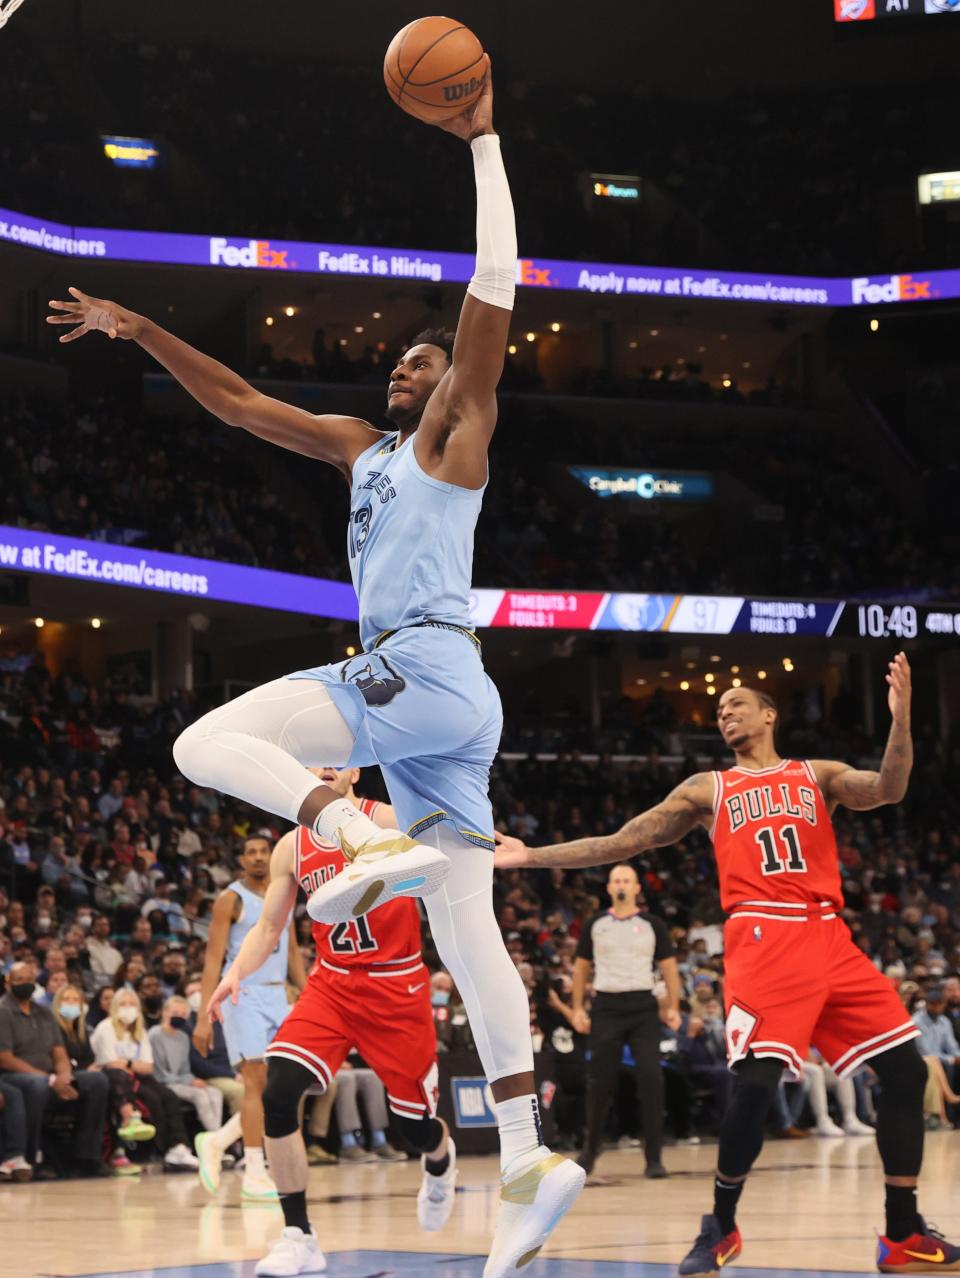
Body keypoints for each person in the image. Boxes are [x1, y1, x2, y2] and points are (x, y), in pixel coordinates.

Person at [50, 64, 582, 1277]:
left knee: (199, 747)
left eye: (426, 358)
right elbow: (238, 402)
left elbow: (493, 291)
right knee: (465, 919)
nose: (407, 366)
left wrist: (485, 146)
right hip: (453, 704)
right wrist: (139, 329)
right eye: (398, 359)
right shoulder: (360, 447)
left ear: (454, 381)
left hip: (423, 667)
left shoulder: (456, 435)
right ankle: (528, 1152)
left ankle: (341, 820)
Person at [495, 655, 960, 1274]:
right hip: (765, 937)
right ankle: (721, 1225)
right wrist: (531, 857)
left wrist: (900, 723)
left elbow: (887, 790)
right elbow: (623, 841)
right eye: (718, 712)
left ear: (770, 714)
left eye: (736, 704)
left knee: (906, 1074)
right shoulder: (707, 789)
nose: (725, 714)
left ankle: (902, 1233)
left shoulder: (815, 774)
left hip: (830, 935)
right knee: (756, 1085)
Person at [209, 766, 458, 1278]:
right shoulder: (291, 847)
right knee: (278, 1091)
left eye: (333, 757)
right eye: (312, 759)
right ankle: (298, 1235)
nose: (323, 766)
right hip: (334, 983)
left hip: (397, 986)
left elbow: (445, 872)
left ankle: (439, 1156)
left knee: (413, 1128)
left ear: (354, 770)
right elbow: (270, 927)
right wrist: (235, 971)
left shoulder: (389, 820)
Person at [194, 832, 306, 1202]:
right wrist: (203, 1017)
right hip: (242, 994)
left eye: (264, 852)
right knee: (255, 1083)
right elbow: (213, 960)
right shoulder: (230, 899)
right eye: (251, 853)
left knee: (284, 1085)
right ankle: (254, 1170)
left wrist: (308, 993)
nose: (258, 858)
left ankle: (219, 1140)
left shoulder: (285, 892)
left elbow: (290, 950)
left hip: (278, 994)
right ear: (242, 861)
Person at [572, 863, 680, 1178]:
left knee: (651, 1079)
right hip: (606, 1005)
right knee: (599, 1082)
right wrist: (578, 1007)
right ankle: (590, 1150)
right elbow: (581, 968)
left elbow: (669, 968)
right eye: (616, 880)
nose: (621, 884)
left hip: (643, 1006)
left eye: (627, 880)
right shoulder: (595, 924)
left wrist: (673, 1005)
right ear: (608, 888)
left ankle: (654, 1157)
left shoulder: (653, 924)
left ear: (636, 888)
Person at [0, 961, 110, 1176]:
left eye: (29, 980)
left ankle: (86, 1156)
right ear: (8, 982)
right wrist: (51, 1080)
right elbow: (6, 1059)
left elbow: (59, 1052)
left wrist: (64, 1076)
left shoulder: (45, 1013)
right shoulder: (3, 1012)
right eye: (19, 980)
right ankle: (34, 1157)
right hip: (12, 1076)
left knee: (97, 1081)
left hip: (51, 1076)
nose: (25, 984)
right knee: (36, 1085)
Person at [90, 987, 198, 1170]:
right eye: (123, 1004)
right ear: (114, 1006)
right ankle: (165, 1150)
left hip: (139, 1074)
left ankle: (180, 1146)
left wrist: (128, 1063)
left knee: (169, 1096)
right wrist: (131, 1064)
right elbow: (110, 1063)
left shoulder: (140, 1031)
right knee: (152, 1099)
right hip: (115, 1078)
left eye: (132, 1004)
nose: (127, 1008)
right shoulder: (105, 1027)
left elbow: (148, 1067)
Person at [149, 995, 224, 1132]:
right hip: (164, 1083)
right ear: (165, 1012)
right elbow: (160, 1073)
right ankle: (216, 1138)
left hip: (182, 1081)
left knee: (215, 1093)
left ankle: (216, 1136)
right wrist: (189, 1081)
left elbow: (185, 1068)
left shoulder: (183, 1037)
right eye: (175, 1013)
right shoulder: (155, 1035)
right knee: (200, 1095)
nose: (179, 1017)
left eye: (183, 1014)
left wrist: (191, 1080)